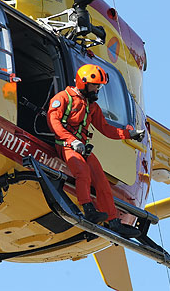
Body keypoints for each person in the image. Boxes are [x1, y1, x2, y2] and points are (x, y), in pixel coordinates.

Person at [47, 64, 145, 238]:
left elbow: (106, 129)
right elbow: (53, 121)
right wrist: (71, 140)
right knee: (83, 173)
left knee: (101, 181)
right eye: (95, 85)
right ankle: (88, 209)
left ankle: (114, 222)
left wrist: (129, 134)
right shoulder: (63, 98)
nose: (97, 89)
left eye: (98, 86)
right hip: (65, 145)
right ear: (83, 83)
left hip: (82, 148)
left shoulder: (92, 107)